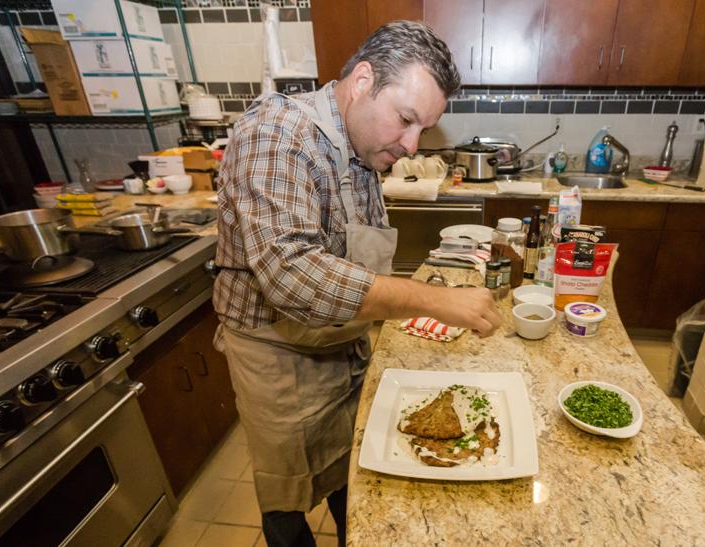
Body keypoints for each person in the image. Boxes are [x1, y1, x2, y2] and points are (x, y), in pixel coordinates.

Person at [213, 20, 502, 547]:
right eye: (406, 120)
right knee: (288, 493)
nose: (411, 145)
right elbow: (294, 274)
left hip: (343, 343)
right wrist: (436, 301)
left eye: (424, 129)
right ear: (363, 80)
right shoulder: (278, 134)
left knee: (355, 474)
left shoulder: (362, 145)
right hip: (279, 357)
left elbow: (350, 262)